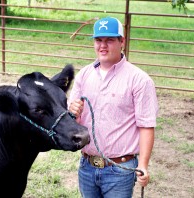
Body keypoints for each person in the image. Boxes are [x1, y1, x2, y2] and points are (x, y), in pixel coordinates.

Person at [68, 16, 159, 198]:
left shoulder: (139, 80)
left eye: (109, 40)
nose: (103, 45)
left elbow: (146, 126)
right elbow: (74, 120)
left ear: (122, 42)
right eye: (98, 40)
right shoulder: (84, 75)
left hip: (120, 169)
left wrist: (143, 165)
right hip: (87, 166)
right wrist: (72, 112)